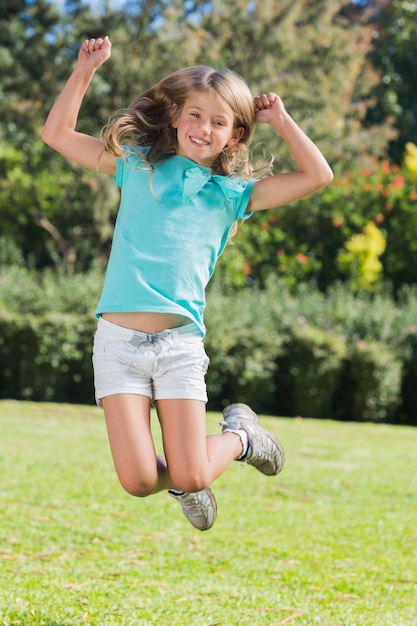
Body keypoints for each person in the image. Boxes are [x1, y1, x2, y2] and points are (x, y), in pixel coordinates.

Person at [42, 36, 333, 531]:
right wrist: (86, 70)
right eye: (196, 115)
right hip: (118, 345)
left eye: (219, 122)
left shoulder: (234, 195)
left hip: (178, 345)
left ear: (235, 136)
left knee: (193, 471)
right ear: (175, 116)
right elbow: (58, 134)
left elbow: (318, 176)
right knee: (136, 480)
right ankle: (186, 478)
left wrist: (281, 121)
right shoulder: (136, 166)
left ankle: (241, 437)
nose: (204, 128)